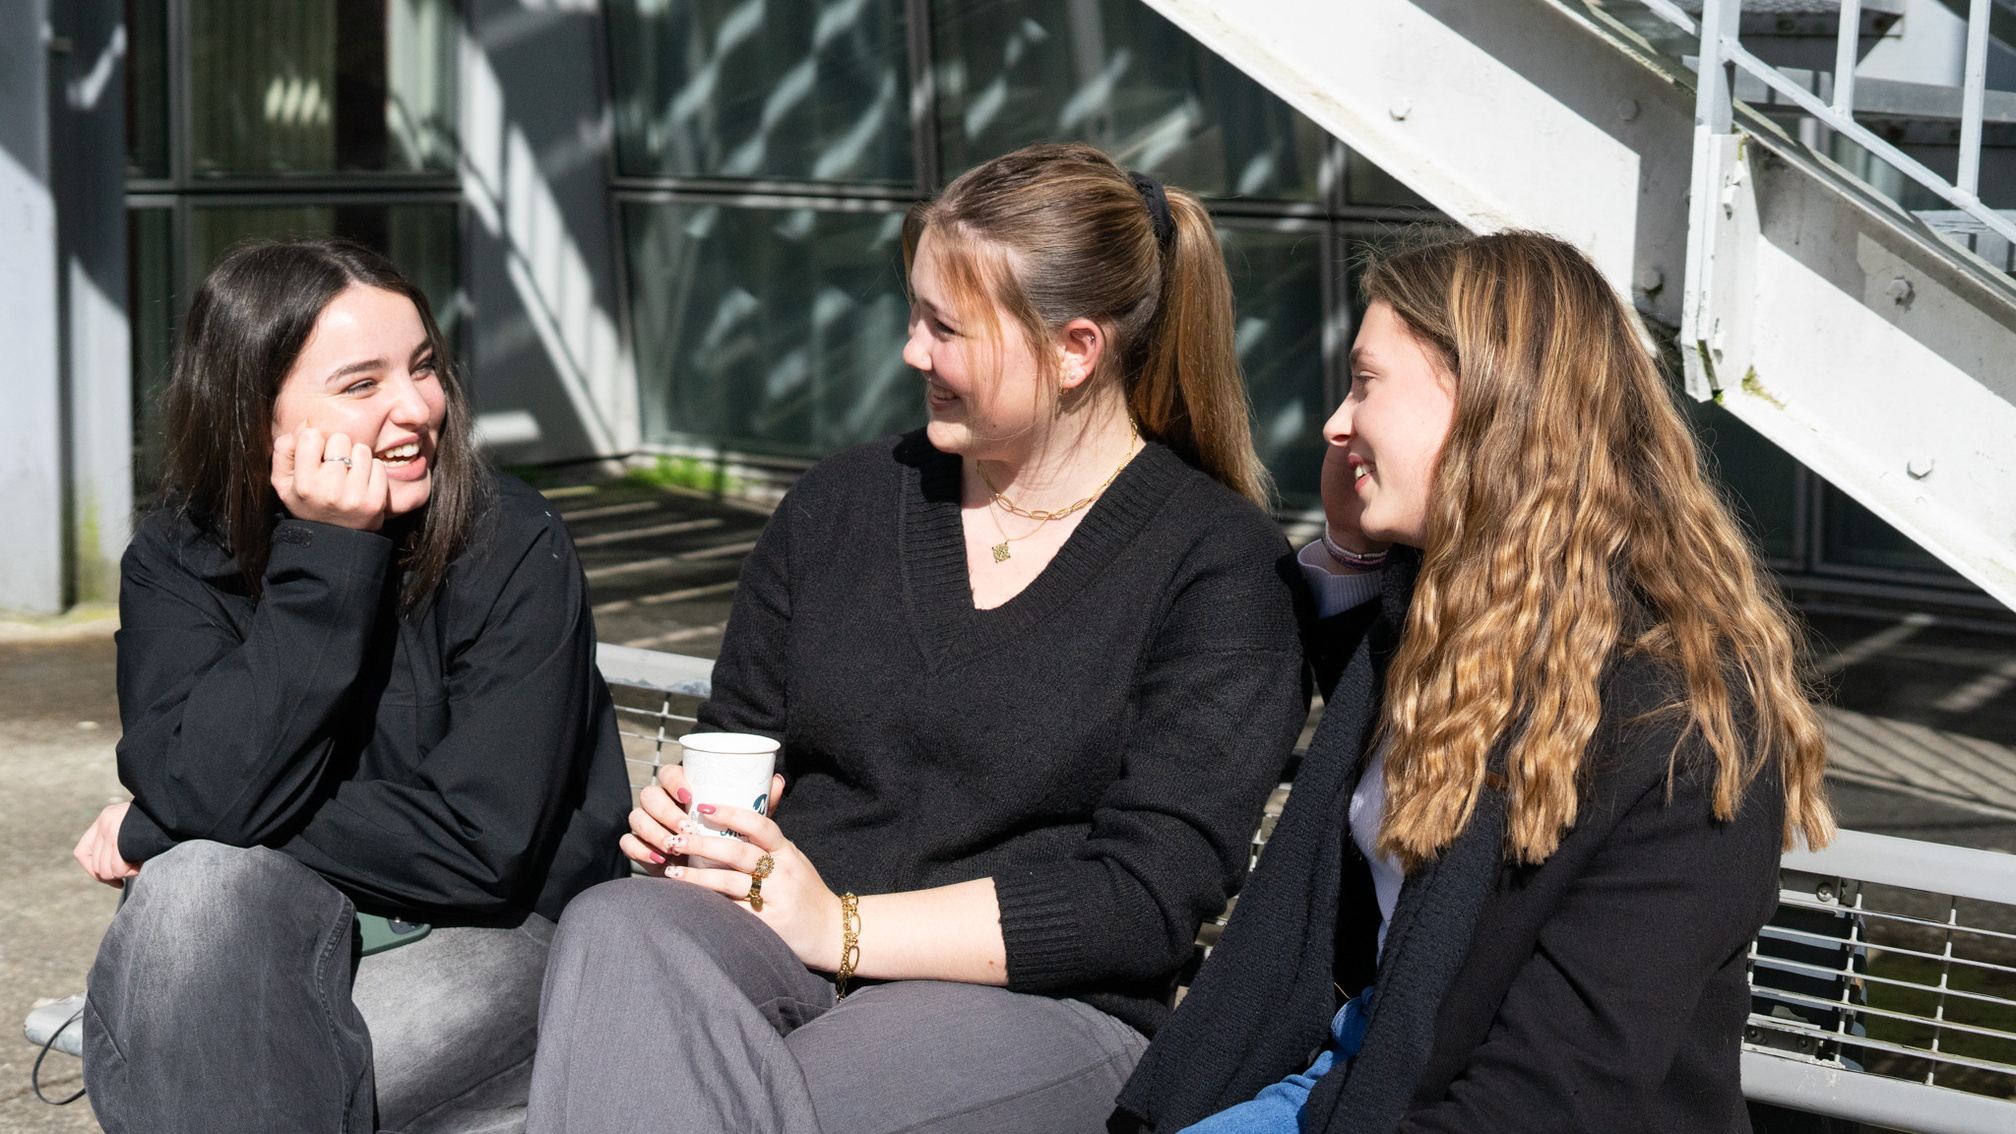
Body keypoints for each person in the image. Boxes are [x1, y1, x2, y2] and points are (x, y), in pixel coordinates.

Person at [526, 143, 1309, 1134]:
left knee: (774, 1098)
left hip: (1039, 1004)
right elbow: (742, 738)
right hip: (783, 942)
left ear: (1074, 350)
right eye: (914, 313)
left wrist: (844, 925)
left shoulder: (1218, 566)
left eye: (947, 328)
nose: (911, 351)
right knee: (615, 926)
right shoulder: (840, 506)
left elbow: (1137, 902)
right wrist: (689, 827)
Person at [1113, 231, 1835, 1134]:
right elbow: (1361, 723)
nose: (1337, 423)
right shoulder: (1456, 619)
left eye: (1367, 383)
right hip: (1351, 1076)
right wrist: (1348, 544)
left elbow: (1550, 1099)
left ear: (1488, 406)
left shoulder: (1685, 729)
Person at [72, 238, 632, 1134]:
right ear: (255, 418)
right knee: (200, 892)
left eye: (423, 367)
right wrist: (330, 559)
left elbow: (481, 844)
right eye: (362, 385)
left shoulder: (512, 542)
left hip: (494, 938)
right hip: (258, 931)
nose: (417, 407)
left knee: (203, 1023)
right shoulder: (175, 559)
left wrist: (166, 823)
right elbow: (206, 791)